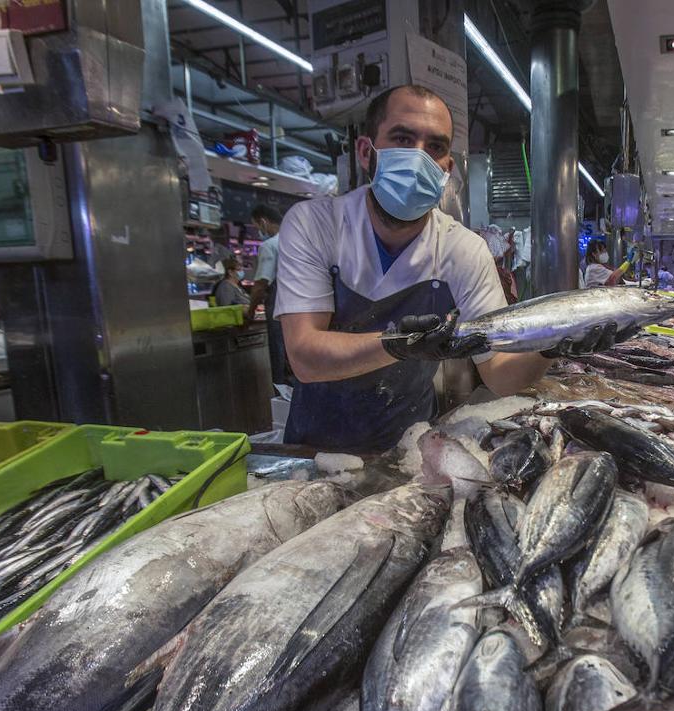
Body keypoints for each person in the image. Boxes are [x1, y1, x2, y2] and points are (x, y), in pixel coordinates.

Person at [274, 84, 597, 451]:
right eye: (402, 138)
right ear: (367, 152)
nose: (418, 158)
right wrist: (401, 345)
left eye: (435, 147)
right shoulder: (315, 224)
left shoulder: (462, 250)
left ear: (447, 168)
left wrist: (554, 345)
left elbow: (499, 372)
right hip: (313, 450)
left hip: (412, 452)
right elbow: (304, 355)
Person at [248, 204, 289, 387]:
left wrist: (250, 311)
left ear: (263, 222)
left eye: (257, 227)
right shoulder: (301, 240)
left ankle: (282, 404)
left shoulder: (269, 246)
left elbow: (261, 285)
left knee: (281, 362)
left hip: (279, 311)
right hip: (306, 310)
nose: (258, 231)